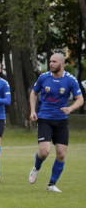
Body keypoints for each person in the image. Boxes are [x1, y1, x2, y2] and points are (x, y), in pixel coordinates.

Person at [28, 52, 84, 192]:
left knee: (61, 154)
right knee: (44, 151)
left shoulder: (70, 80)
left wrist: (70, 108)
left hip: (61, 121)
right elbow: (33, 93)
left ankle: (51, 184)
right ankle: (36, 167)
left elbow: (80, 99)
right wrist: (33, 111)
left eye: (54, 61)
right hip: (45, 119)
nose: (51, 64)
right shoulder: (44, 77)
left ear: (62, 64)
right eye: (50, 61)